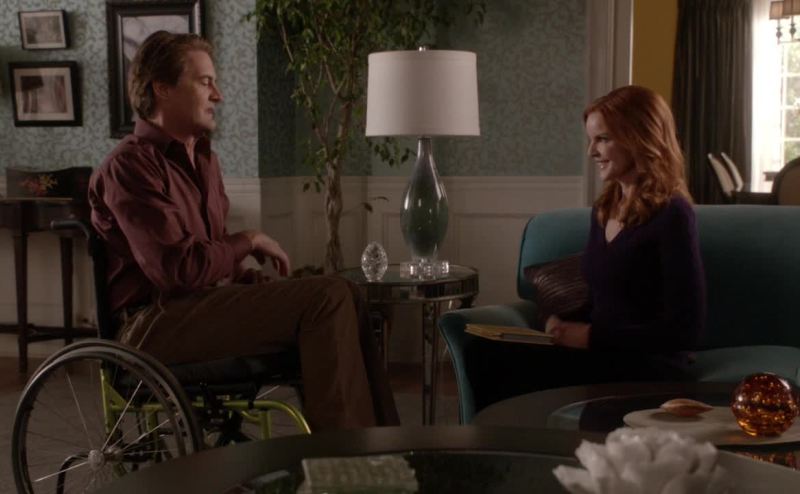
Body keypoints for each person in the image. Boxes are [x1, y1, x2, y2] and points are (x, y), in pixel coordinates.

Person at [88, 31, 399, 431]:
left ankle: (383, 447)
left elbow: (210, 258)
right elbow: (179, 271)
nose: (217, 95)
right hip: (150, 327)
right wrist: (248, 240)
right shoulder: (130, 167)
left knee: (346, 292)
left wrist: (257, 284)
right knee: (328, 296)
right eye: (205, 82)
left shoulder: (205, 160)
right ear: (162, 88)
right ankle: (343, 457)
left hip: (199, 308)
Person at [465, 85, 706, 413]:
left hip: (648, 362)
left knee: (504, 368)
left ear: (639, 138)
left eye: (603, 139)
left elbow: (685, 330)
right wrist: (560, 323)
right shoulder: (605, 208)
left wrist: (591, 337)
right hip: (601, 352)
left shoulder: (673, 214)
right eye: (591, 140)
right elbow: (601, 299)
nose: (592, 151)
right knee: (482, 352)